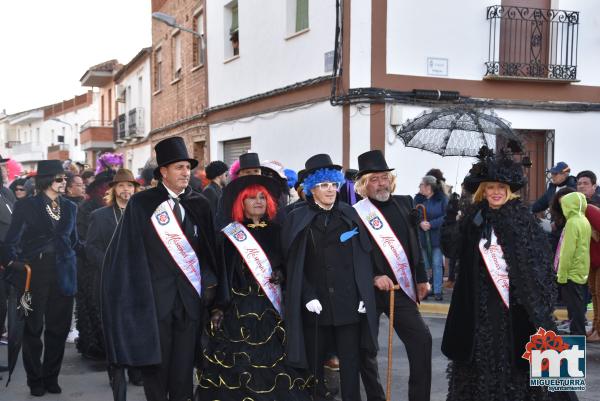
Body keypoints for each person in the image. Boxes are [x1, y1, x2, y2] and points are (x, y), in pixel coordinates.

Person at [441, 146, 569, 401]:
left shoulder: (523, 221)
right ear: (483, 190)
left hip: (515, 309)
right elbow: (451, 247)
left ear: (509, 191)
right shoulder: (474, 218)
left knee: (514, 363)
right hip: (477, 306)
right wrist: (450, 214)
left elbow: (539, 266)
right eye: (490, 187)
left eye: (501, 188)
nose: (496, 192)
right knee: (477, 361)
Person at [101, 137, 219, 401]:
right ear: (163, 172)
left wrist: (211, 285)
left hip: (190, 302)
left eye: (188, 168)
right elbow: (127, 254)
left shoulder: (200, 204)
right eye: (179, 167)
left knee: (183, 371)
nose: (185, 173)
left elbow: (209, 251)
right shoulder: (142, 204)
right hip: (154, 302)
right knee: (156, 371)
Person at [198, 174, 311, 400]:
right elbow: (223, 273)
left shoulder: (277, 230)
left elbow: (288, 264)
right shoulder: (229, 235)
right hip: (237, 309)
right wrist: (218, 307)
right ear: (241, 203)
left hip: (271, 306)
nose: (258, 201)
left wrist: (281, 273)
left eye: (262, 197)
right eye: (251, 198)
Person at [282, 154, 378, 401]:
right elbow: (293, 266)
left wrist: (363, 293)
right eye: (324, 185)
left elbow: (363, 257)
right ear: (312, 188)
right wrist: (307, 294)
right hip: (316, 307)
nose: (331, 190)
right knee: (314, 367)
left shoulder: (349, 215)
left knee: (350, 364)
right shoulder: (296, 217)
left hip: (348, 305)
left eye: (333, 184)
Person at [353, 150, 432, 401]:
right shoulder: (355, 212)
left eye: (384, 177)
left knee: (422, 341)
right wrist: (374, 276)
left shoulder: (405, 202)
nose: (381, 183)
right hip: (368, 290)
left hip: (400, 289)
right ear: (363, 185)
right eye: (374, 179)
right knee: (366, 350)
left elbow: (414, 245)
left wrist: (421, 278)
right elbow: (353, 254)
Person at [2, 160, 78, 396]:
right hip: (34, 273)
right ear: (46, 181)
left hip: (64, 272)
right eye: (59, 179)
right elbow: (11, 240)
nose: (63, 183)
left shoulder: (70, 207)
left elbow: (73, 240)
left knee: (58, 328)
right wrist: (16, 264)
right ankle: (35, 380)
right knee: (32, 329)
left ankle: (50, 377)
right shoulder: (27, 206)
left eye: (65, 179)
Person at [83, 169, 143, 387]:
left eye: (129, 185)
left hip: (137, 282)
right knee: (114, 330)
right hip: (110, 282)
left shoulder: (143, 214)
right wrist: (110, 263)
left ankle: (136, 373)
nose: (126, 189)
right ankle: (116, 374)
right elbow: (90, 247)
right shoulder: (100, 216)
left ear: (135, 189)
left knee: (136, 328)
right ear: (114, 190)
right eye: (121, 185)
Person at [553, 190, 591, 336]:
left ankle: (577, 336)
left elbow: (567, 251)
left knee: (573, 307)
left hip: (570, 272)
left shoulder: (572, 223)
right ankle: (579, 333)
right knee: (579, 305)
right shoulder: (584, 220)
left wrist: (561, 275)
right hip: (581, 270)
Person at [414, 175, 448, 301]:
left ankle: (437, 290)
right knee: (424, 265)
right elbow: (413, 214)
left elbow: (446, 215)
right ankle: (425, 289)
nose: (419, 187)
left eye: (421, 184)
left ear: (428, 186)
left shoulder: (442, 199)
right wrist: (420, 223)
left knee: (436, 264)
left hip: (437, 238)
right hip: (422, 238)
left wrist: (431, 224)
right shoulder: (417, 199)